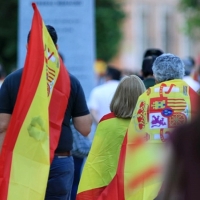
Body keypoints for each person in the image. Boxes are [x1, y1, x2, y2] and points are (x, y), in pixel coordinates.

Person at [0, 25, 92, 200]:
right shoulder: (70, 81)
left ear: (28, 47)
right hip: (59, 160)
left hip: (25, 159)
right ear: (56, 48)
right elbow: (85, 128)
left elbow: (2, 126)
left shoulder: (12, 81)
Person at [119, 53, 198, 199]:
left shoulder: (145, 98)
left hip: (151, 173)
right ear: (181, 73)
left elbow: (134, 136)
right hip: (185, 172)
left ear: (156, 75)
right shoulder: (193, 96)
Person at [77, 75, 146, 199]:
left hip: (108, 189)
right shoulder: (147, 125)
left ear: (118, 96)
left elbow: (97, 161)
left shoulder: (105, 122)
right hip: (138, 186)